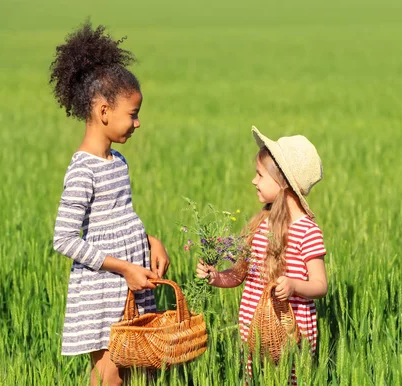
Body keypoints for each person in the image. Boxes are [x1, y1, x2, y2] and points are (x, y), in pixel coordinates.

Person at [50, 21, 170, 386]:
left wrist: (150, 241)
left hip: (129, 282)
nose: (137, 123)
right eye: (132, 114)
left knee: (139, 367)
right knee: (111, 377)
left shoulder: (117, 162)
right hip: (103, 288)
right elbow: (65, 238)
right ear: (104, 112)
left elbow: (121, 216)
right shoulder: (83, 169)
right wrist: (123, 268)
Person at [196, 126, 328, 384]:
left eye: (259, 175)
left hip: (291, 336)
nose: (254, 181)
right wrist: (215, 277)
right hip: (253, 334)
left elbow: (320, 285)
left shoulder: (307, 231)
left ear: (282, 183)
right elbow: (239, 274)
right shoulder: (260, 224)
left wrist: (293, 285)